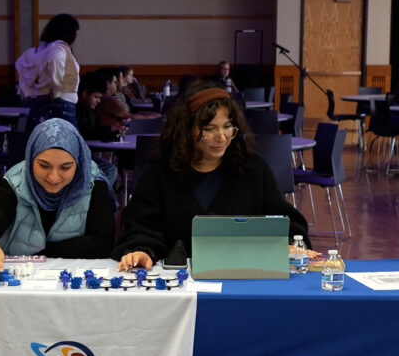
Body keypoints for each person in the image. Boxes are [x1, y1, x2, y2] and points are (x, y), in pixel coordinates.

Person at [113, 82, 308, 270]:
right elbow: (140, 228)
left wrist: (291, 244)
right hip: (178, 285)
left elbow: (286, 224)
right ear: (187, 130)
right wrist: (141, 251)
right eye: (210, 129)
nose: (221, 137)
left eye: (227, 127)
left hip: (243, 281)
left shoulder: (253, 169)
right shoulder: (160, 172)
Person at [0, 118, 116, 272]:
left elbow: (102, 243)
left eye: (65, 168)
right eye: (44, 166)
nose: (53, 177)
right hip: (19, 277)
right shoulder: (15, 182)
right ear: (31, 158)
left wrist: (43, 255)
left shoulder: (93, 184)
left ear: (78, 164)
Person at [15, 14, 81, 132]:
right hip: (60, 104)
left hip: (43, 102)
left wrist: (31, 90)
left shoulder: (41, 49)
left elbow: (20, 63)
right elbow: (56, 65)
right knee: (63, 146)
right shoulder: (58, 49)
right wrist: (56, 92)